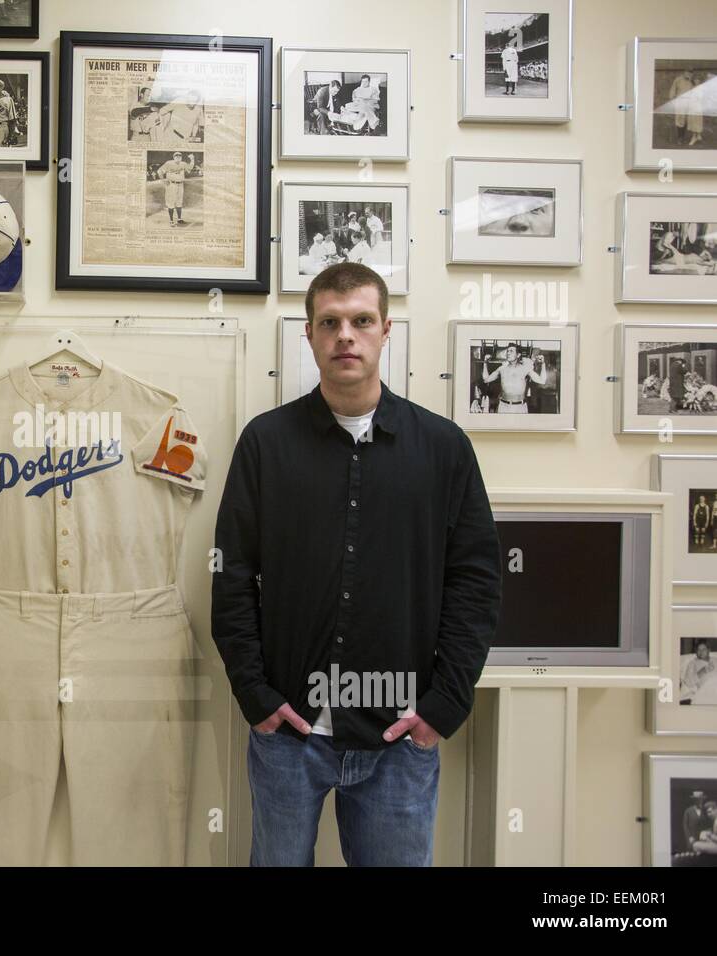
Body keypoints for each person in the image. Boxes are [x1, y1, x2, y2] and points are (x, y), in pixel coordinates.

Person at [211, 261, 501, 866]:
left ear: (385, 330)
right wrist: (255, 696)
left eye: (361, 321)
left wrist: (442, 707)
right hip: (289, 735)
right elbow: (230, 574)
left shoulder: (444, 449)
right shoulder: (266, 444)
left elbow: (475, 582)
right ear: (310, 335)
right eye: (330, 322)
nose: (346, 335)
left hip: (399, 733)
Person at [481, 344, 546, 413]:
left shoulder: (525, 369)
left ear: (518, 355)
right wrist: (485, 362)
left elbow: (542, 380)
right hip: (504, 407)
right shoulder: (502, 369)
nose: (508, 353)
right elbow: (486, 379)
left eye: (511, 351)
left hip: (520, 407)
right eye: (507, 351)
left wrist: (543, 364)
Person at [155, 150, 194, 226]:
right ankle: (171, 221)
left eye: (180, 156)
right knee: (171, 202)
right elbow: (159, 171)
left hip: (180, 185)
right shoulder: (168, 163)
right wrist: (163, 180)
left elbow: (190, 168)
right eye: (176, 156)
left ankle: (179, 219)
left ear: (181, 158)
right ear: (173, 157)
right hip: (171, 185)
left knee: (179, 202)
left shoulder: (183, 164)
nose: (178, 157)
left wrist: (192, 159)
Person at [669, 67, 704, 147]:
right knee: (680, 120)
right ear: (684, 72)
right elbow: (672, 91)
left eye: (691, 72)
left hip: (690, 103)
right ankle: (680, 138)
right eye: (687, 72)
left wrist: (695, 83)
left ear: (692, 73)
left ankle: (696, 135)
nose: (689, 74)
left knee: (690, 120)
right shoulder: (678, 80)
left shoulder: (693, 81)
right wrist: (672, 100)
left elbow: (698, 92)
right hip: (680, 102)